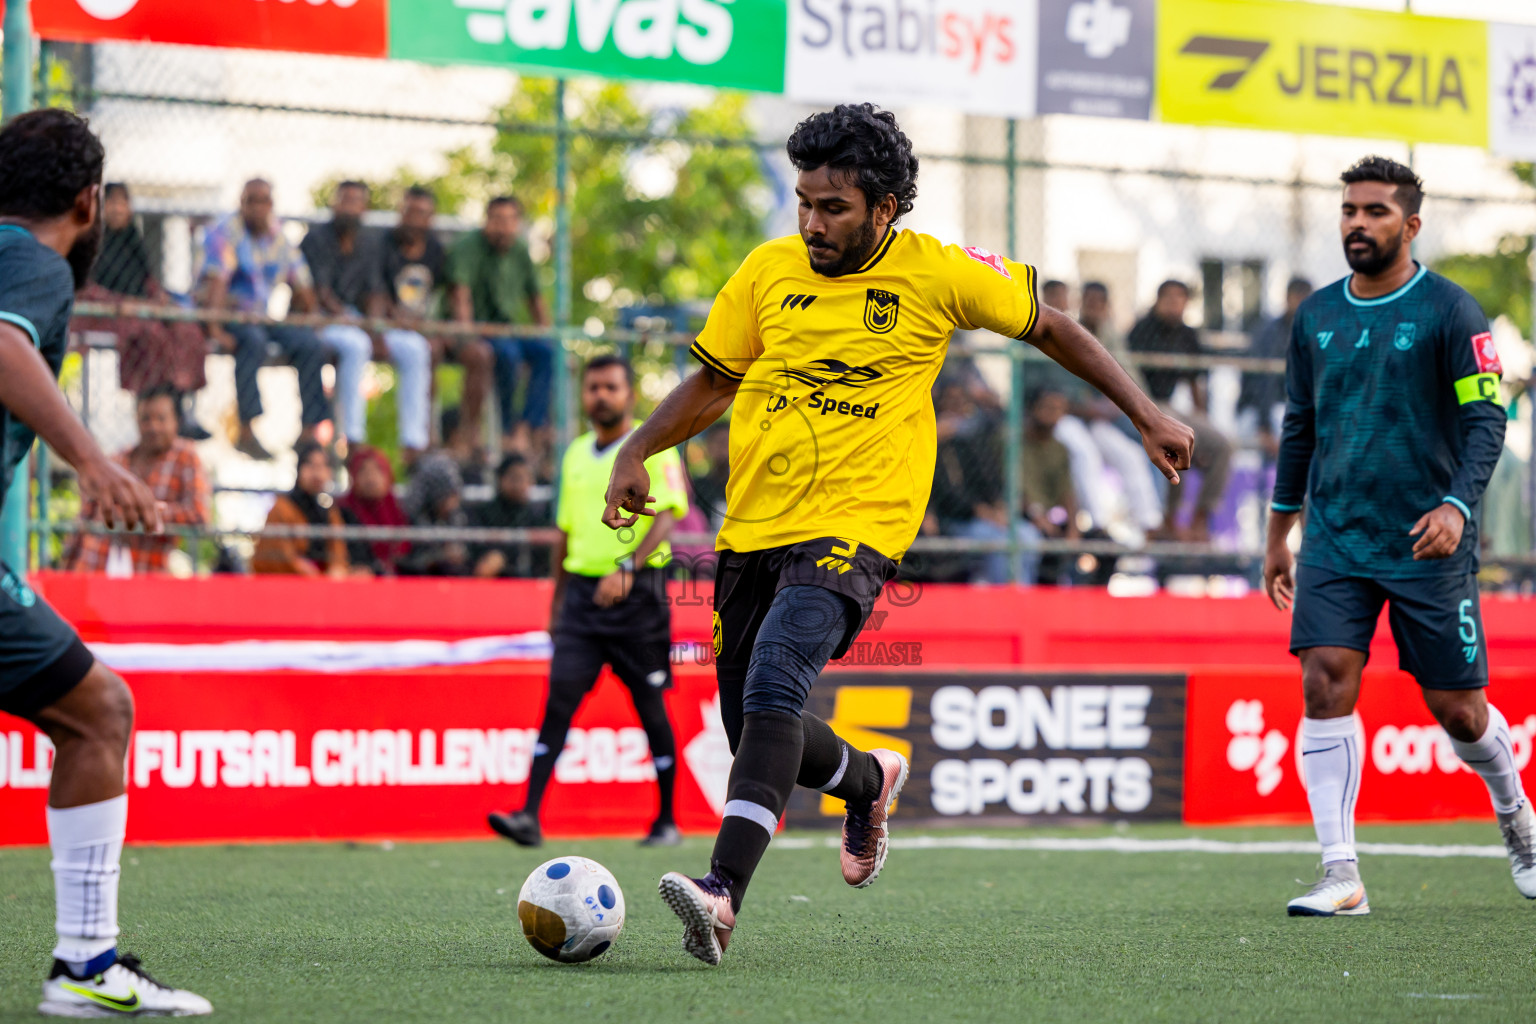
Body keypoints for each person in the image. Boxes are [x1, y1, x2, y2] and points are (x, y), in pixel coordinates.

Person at [600, 103, 1193, 965]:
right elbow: (714, 380)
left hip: (857, 527)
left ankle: (721, 895)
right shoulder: (767, 272)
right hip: (752, 527)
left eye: (832, 207)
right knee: (756, 726)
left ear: (885, 208)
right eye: (804, 202)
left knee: (775, 680)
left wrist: (1143, 413)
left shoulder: (939, 273)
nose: (812, 222)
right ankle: (870, 780)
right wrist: (638, 447)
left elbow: (1053, 328)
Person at [1264, 156, 1533, 916]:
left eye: (1375, 212)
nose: (1357, 223)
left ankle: (1518, 820)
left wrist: (1455, 506)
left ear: (1410, 225)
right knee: (1323, 678)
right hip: (1336, 539)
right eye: (1349, 210)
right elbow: (1299, 429)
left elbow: (1488, 419)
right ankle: (1339, 873)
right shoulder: (1316, 316)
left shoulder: (1452, 311)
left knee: (1459, 711)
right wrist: (1279, 534)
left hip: (1426, 542)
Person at [0, 109, 210, 1016]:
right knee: (99, 711)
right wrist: (93, 459)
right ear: (88, 202)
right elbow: (2, 344)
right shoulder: (30, 261)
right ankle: (85, 967)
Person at [488, 355, 688, 848]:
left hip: (637, 597)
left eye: (611, 387)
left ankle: (666, 820)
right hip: (580, 598)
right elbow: (565, 532)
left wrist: (627, 570)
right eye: (593, 387)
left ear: (629, 393)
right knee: (558, 702)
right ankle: (528, 816)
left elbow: (666, 516)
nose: (601, 395)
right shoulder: (575, 453)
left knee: (650, 706)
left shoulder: (653, 444)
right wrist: (556, 605)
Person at [200, 178, 331, 461]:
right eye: (251, 201)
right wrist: (214, 328)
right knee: (252, 340)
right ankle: (246, 430)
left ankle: (309, 432)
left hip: (261, 316)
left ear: (272, 205)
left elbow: (302, 281)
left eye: (263, 201)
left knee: (309, 344)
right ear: (242, 204)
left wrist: (312, 320)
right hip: (226, 312)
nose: (257, 208)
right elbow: (217, 284)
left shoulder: (278, 236)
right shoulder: (226, 232)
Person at [301, 181, 431, 461]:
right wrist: (357, 324)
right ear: (334, 204)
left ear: (365, 207)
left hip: (361, 322)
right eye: (344, 199)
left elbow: (375, 292)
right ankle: (353, 438)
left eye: (356, 200)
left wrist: (376, 328)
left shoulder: (370, 241)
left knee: (415, 347)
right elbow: (320, 293)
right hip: (324, 320)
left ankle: (414, 442)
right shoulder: (316, 238)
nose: (349, 206)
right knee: (356, 345)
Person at [79, 182, 212, 440]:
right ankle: (154, 413)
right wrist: (124, 304)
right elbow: (85, 287)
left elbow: (145, 280)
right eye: (112, 203)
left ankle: (179, 409)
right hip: (102, 310)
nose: (118, 209)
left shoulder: (131, 238)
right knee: (152, 335)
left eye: (123, 202)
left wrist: (160, 298)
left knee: (186, 329)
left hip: (138, 307)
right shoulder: (90, 241)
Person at [385, 187, 495, 455]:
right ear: (400, 211)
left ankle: (471, 432)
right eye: (410, 211)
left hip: (433, 326)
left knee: (480, 353)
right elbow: (374, 294)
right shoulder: (383, 245)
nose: (414, 219)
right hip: (396, 330)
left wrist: (455, 329)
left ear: (430, 218)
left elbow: (451, 296)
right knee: (427, 349)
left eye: (422, 213)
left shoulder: (436, 251)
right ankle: (426, 431)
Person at [1128, 280, 1233, 540]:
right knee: (1176, 438)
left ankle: (1200, 519)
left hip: (1172, 406)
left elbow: (1195, 380)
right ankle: (1171, 519)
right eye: (1169, 298)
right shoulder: (1141, 331)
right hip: (1143, 403)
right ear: (1158, 300)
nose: (1175, 304)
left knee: (1223, 444)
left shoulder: (1187, 334)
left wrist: (1201, 418)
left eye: (1180, 298)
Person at [66, 386, 210, 575]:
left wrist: (145, 512)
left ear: (176, 421)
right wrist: (67, 561)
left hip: (147, 572)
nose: (153, 427)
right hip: (95, 567)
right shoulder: (116, 462)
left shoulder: (186, 458)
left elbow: (198, 514)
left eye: (161, 419)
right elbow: (85, 515)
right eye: (145, 419)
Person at [447, 195, 551, 455]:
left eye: (509, 221)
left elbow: (536, 300)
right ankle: (506, 429)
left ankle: (527, 428)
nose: (503, 227)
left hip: (507, 329)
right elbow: (461, 296)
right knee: (507, 354)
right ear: (487, 221)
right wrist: (466, 334)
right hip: (479, 330)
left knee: (548, 354)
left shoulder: (519, 250)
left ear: (517, 223)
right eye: (496, 220)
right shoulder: (468, 247)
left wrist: (548, 335)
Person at [251, 441, 353, 576]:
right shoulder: (283, 507)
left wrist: (336, 570)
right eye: (311, 465)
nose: (317, 473)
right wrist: (303, 570)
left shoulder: (329, 511)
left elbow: (338, 552)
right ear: (299, 470)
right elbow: (276, 554)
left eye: (322, 466)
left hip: (323, 583)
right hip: (289, 582)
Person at [1241, 276, 1313, 459]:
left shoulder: (1314, 333)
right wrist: (1264, 426)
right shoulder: (1268, 332)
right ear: (1287, 298)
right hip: (1264, 409)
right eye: (1298, 298)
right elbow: (1261, 383)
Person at [469, 451, 552, 578]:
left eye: (526, 478)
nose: (521, 484)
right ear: (501, 479)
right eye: (515, 478)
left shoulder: (534, 516)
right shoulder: (485, 513)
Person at [337, 445, 411, 576]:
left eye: (378, 471)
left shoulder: (399, 511)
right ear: (353, 477)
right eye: (363, 472)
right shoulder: (343, 513)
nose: (371, 478)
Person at [397, 451, 471, 576]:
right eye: (448, 496)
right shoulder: (411, 517)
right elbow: (408, 559)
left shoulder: (456, 517)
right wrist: (438, 557)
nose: (454, 504)